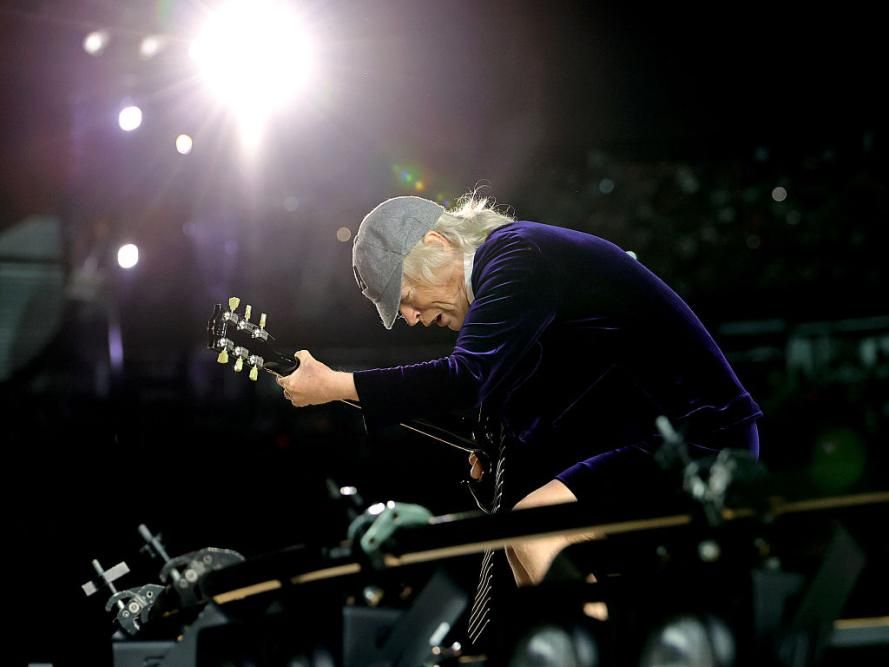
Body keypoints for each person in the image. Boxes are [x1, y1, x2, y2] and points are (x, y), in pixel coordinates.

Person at [277, 192, 762, 586]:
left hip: (701, 440)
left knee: (534, 531)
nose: (411, 318)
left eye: (406, 298)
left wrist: (337, 384)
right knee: (525, 535)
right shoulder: (517, 277)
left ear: (437, 244)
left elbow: (462, 379)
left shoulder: (517, 256)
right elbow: (549, 409)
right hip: (656, 440)